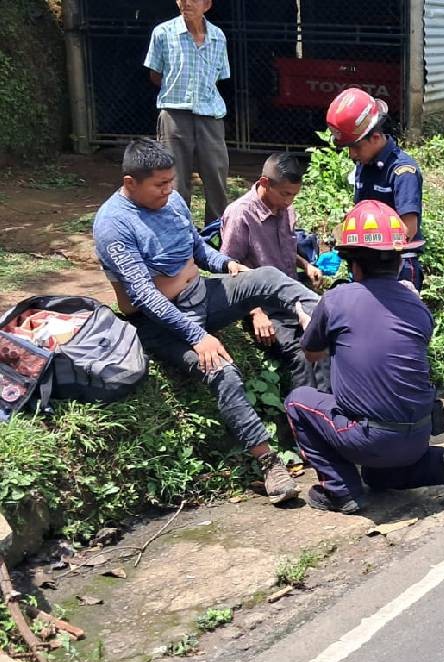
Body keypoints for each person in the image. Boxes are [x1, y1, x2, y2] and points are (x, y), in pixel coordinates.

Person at [92, 138, 321, 504]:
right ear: (130, 183)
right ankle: (269, 463)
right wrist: (197, 336)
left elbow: (198, 249)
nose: (169, 191)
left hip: (201, 292)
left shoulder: (173, 200)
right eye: (160, 185)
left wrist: (226, 264)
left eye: (171, 182)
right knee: (223, 371)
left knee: (267, 277)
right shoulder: (113, 225)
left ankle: (334, 315)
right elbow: (144, 297)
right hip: (160, 322)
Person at [285, 200, 444, 514]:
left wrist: (310, 323)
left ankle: (341, 490)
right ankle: (439, 464)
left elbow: (312, 353)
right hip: (417, 434)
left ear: (352, 262)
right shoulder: (417, 307)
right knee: (377, 475)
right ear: (400, 261)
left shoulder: (336, 300)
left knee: (297, 401)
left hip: (370, 437)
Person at [220, 153, 329, 391]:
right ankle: (306, 416)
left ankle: (329, 412)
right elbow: (230, 269)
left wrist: (305, 265)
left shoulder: (286, 208)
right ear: (265, 183)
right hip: (264, 304)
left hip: (293, 293)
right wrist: (256, 313)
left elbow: (287, 248)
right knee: (300, 356)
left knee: (325, 342)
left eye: (294, 195)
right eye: (285, 194)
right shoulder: (240, 214)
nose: (290, 201)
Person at [325, 88, 426, 291]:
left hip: (395, 265)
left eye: (356, 147)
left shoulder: (402, 172)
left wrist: (370, 253)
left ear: (376, 137)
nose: (352, 155)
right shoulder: (364, 164)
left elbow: (408, 229)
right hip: (366, 264)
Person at [144, 0, 231, 224]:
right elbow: (155, 75)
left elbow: (220, 76)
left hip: (210, 115)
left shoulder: (218, 36)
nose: (186, 3)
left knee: (216, 177)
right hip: (174, 114)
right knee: (174, 180)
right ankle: (178, 234)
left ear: (207, 5)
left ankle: (216, 236)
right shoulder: (163, 33)